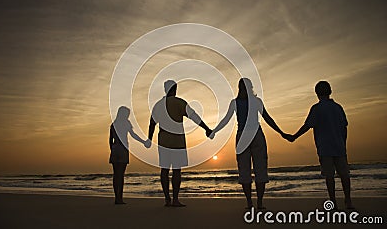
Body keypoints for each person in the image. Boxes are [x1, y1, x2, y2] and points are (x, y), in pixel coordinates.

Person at [210, 78, 288, 209]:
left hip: (242, 137)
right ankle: (260, 203)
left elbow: (226, 119)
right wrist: (281, 132)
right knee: (260, 169)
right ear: (250, 87)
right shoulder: (256, 101)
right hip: (256, 135)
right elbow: (267, 118)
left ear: (239, 88)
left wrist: (213, 131)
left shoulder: (235, 103)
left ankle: (249, 203)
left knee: (244, 170)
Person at [284, 81, 354, 210]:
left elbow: (308, 125)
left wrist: (294, 136)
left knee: (329, 176)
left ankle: (333, 202)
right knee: (344, 175)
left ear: (316, 93)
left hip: (325, 147)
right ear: (330, 91)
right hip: (339, 146)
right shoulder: (338, 107)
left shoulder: (317, 109)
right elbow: (344, 127)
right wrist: (343, 143)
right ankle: (348, 201)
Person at [148, 80, 212, 207]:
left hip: (163, 142)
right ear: (175, 89)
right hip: (177, 142)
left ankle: (167, 199)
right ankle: (175, 200)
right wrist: (206, 128)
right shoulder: (180, 102)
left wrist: (149, 139)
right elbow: (194, 117)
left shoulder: (158, 105)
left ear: (166, 89)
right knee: (177, 170)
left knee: (164, 170)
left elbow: (152, 124)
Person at [109, 106, 150, 204]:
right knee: (121, 175)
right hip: (123, 149)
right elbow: (133, 135)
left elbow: (110, 140)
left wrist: (112, 149)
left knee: (116, 174)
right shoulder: (126, 123)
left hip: (115, 149)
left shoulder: (113, 124)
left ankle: (117, 197)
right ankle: (120, 198)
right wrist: (143, 141)